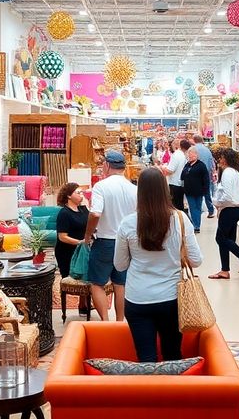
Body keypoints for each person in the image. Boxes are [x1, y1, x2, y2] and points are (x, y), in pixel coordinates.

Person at [115, 168, 202, 362]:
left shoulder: (128, 224)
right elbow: (196, 260)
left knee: (146, 358)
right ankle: (173, 392)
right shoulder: (180, 219)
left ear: (140, 192)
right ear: (166, 190)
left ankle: (149, 391)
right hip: (171, 299)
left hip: (138, 299)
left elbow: (120, 265)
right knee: (172, 354)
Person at [83, 150, 137, 321]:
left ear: (106, 165)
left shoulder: (101, 187)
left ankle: (105, 321)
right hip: (126, 242)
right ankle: (120, 321)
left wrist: (87, 235)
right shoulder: (133, 188)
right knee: (120, 283)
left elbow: (95, 213)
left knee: (97, 283)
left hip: (105, 241)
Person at [209, 148, 239, 280]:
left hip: (229, 209)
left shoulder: (227, 172)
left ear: (226, 158)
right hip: (236, 209)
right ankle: (224, 270)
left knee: (220, 238)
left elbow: (227, 196)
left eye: (221, 157)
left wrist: (216, 203)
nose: (219, 160)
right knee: (227, 240)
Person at [54, 182, 88, 278]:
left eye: (81, 193)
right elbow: (62, 237)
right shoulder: (64, 213)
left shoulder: (84, 210)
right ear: (69, 195)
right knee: (69, 276)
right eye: (78, 193)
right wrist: (80, 242)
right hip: (67, 251)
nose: (81, 195)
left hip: (82, 249)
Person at [180, 147, 210, 234]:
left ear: (197, 155)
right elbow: (182, 177)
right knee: (193, 208)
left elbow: (206, 179)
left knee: (198, 208)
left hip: (199, 191)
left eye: (192, 154)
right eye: (189, 155)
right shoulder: (187, 165)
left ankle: (196, 225)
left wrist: (206, 190)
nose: (191, 156)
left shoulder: (201, 165)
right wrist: (183, 188)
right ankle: (196, 225)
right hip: (189, 191)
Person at [192, 134, 217, 218]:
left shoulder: (193, 149)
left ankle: (198, 211)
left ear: (194, 140)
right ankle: (211, 210)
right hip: (206, 175)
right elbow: (212, 163)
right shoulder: (207, 150)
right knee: (207, 194)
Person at [161, 139, 189, 212]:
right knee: (179, 204)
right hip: (180, 182)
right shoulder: (182, 154)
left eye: (172, 144)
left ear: (176, 145)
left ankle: (178, 220)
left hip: (175, 183)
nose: (171, 146)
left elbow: (170, 170)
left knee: (176, 205)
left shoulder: (176, 155)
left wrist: (162, 167)